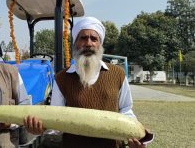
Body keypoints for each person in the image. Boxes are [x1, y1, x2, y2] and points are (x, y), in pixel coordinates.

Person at [24, 17, 153, 148]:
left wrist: (137, 136)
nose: (88, 43)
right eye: (83, 38)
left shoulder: (118, 74)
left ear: (100, 44)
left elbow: (126, 109)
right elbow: (56, 121)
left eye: (94, 39)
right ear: (75, 43)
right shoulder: (62, 78)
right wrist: (42, 128)